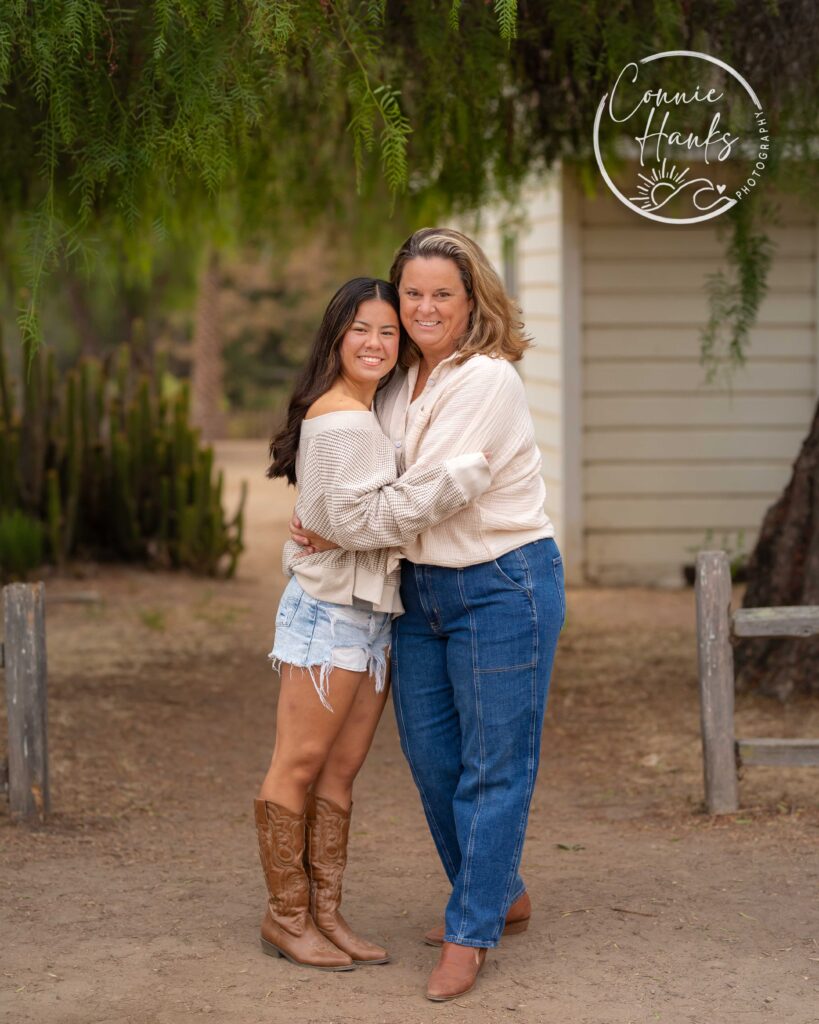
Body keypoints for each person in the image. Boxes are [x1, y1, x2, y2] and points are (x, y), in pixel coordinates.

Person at [290, 228, 565, 1001]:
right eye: (411, 292)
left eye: (441, 292)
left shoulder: (486, 381)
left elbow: (411, 499)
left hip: (502, 583)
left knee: (492, 765)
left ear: (471, 298)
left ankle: (470, 931)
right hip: (419, 589)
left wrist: (338, 521)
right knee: (433, 759)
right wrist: (324, 511)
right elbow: (359, 481)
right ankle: (498, 889)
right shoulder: (398, 379)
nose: (422, 307)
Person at [257, 277, 491, 973]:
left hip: (370, 615)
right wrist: (453, 481)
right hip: (328, 615)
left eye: (388, 331)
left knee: (340, 772)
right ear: (335, 335)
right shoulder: (338, 418)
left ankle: (326, 913)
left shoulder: (372, 410)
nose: (376, 342)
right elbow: (345, 521)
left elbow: (337, 518)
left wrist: (343, 527)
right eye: (361, 328)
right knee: (297, 765)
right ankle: (285, 916)